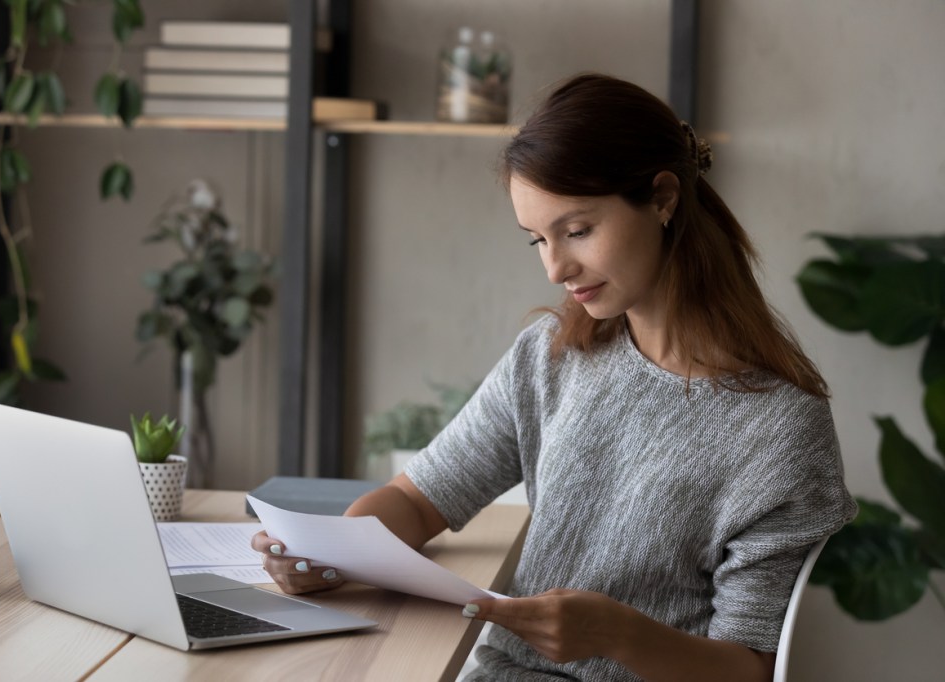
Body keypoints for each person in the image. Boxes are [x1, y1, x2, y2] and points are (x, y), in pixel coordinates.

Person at [252, 73, 856, 681]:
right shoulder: (553, 355)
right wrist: (328, 555)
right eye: (538, 239)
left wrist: (617, 634)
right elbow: (417, 498)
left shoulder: (779, 430)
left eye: (577, 230)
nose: (555, 268)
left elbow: (751, 668)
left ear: (664, 198)